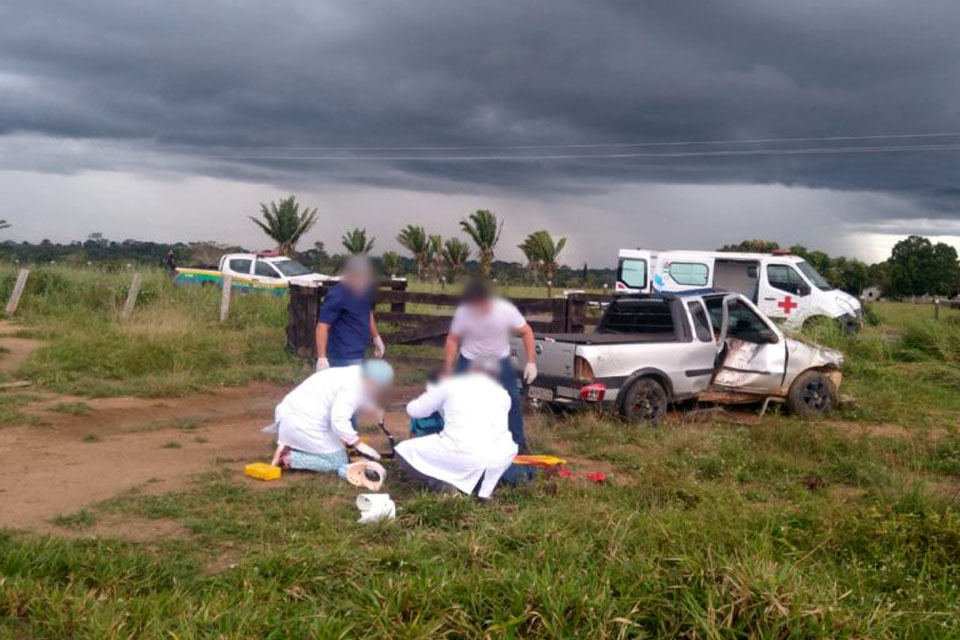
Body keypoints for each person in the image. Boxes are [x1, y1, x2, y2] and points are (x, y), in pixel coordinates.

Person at [395, 358, 517, 499]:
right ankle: (480, 491)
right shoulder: (503, 394)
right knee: (470, 457)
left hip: (464, 453)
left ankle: (443, 487)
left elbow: (415, 411)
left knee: (403, 451)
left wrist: (424, 398)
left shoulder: (451, 385)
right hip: (498, 458)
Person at [444, 279, 537, 453]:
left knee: (512, 399)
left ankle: (519, 443)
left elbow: (526, 331)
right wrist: (448, 368)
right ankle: (454, 441)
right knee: (456, 399)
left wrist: (531, 362)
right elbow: (452, 339)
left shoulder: (507, 311)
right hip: (470, 359)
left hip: (500, 360)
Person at [268, 359, 394, 480]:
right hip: (303, 423)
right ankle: (289, 458)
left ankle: (293, 445)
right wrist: (357, 444)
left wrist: (374, 408)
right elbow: (339, 420)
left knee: (338, 443)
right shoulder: (353, 387)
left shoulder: (356, 373)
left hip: (294, 415)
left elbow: (359, 396)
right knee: (338, 461)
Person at [315, 255, 385, 370]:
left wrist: (376, 337)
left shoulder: (364, 290)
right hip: (343, 355)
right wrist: (321, 357)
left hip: (360, 350)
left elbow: (367, 311)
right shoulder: (337, 295)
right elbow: (322, 326)